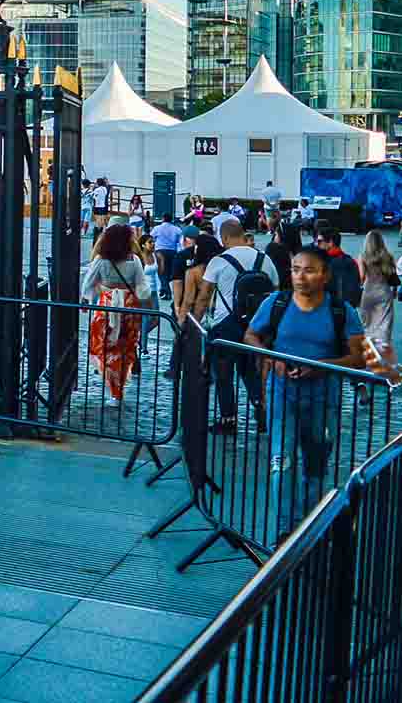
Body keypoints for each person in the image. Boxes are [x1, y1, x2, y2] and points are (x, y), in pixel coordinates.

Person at [243, 246, 365, 542]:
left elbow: (358, 357)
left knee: (316, 464)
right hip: (282, 394)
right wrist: (271, 357)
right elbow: (250, 334)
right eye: (296, 269)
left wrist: (323, 367)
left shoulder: (341, 312)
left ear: (324, 275)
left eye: (309, 270)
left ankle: (309, 524)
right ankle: (285, 530)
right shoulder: (276, 302)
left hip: (324, 399)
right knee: (280, 460)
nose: (300, 276)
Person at [200, 217, 278, 432]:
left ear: (224, 237)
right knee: (250, 370)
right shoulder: (264, 260)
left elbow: (204, 296)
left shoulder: (219, 261)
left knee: (223, 373)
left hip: (225, 324)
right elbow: (276, 291)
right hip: (256, 325)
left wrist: (194, 322)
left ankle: (228, 419)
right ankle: (260, 409)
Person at [82, 224, 156, 403]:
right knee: (126, 346)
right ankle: (119, 387)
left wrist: (86, 299)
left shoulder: (101, 259)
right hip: (129, 307)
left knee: (106, 346)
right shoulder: (134, 260)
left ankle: (112, 384)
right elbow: (142, 286)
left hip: (107, 306)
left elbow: (88, 283)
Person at [358, 230, 398, 362]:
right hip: (383, 291)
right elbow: (392, 276)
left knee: (367, 324)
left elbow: (362, 277)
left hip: (368, 292)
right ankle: (383, 356)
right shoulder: (388, 256)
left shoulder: (363, 256)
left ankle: (368, 355)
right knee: (384, 325)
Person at [315, 226, 362, 310]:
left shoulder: (324, 264)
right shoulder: (351, 261)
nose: (316, 244)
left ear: (330, 242)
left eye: (319, 241)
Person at [150, 215, 183, 302]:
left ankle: (165, 290)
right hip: (172, 251)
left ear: (163, 219)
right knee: (169, 271)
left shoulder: (157, 228)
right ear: (171, 220)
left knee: (161, 271)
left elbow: (151, 237)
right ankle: (165, 289)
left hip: (160, 251)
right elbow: (180, 241)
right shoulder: (177, 229)